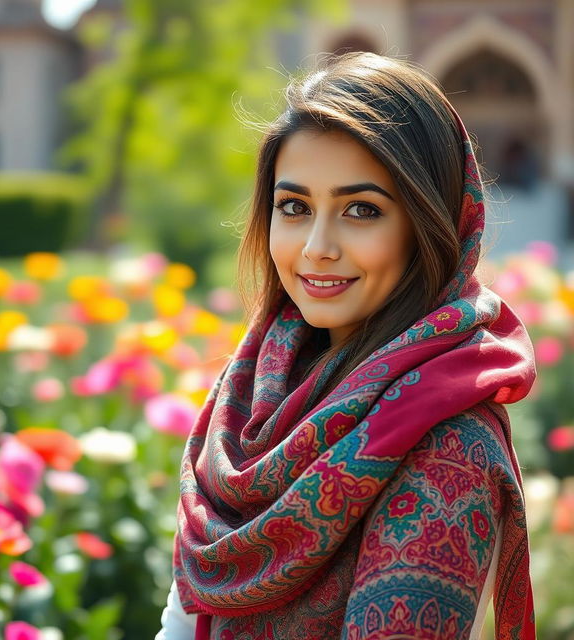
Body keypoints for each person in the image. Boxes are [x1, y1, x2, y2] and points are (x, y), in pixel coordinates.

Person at [155, 52, 537, 640]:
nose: (316, 247)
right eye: (295, 207)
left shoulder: (448, 446)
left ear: (431, 223)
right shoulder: (256, 400)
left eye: (362, 210)